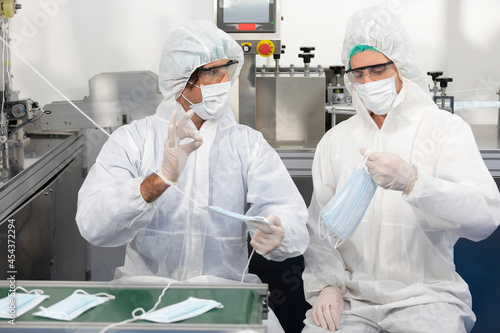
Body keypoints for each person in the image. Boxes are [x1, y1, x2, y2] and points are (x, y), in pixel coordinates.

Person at [76, 20, 309, 331]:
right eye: (213, 72)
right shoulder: (133, 140)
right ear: (181, 80)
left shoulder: (247, 144)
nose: (225, 80)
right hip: (143, 297)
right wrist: (157, 181)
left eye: (228, 69)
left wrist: (279, 231)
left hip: (226, 296)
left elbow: (287, 211)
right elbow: (93, 225)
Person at [302, 6, 500, 333]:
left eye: (378, 70)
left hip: (428, 297)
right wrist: (327, 286)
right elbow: (319, 229)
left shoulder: (444, 130)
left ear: (401, 68)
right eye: (359, 74)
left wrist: (414, 183)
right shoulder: (336, 141)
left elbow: (484, 217)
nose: (367, 82)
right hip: (353, 300)